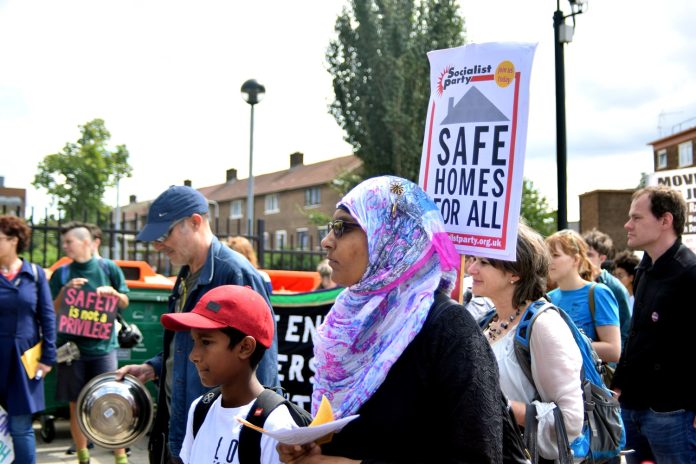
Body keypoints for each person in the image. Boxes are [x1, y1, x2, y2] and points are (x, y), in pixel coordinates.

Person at [278, 176, 504, 463]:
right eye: (329, 228)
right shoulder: (347, 321)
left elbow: (479, 457)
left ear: (391, 234)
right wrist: (315, 448)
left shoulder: (449, 328)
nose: (326, 241)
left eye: (342, 227)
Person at [115, 185, 279, 463]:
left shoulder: (235, 272)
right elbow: (185, 343)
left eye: (164, 235)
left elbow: (262, 361)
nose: (157, 246)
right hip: (182, 428)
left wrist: (254, 433)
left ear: (195, 222)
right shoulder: (185, 275)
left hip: (218, 436)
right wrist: (153, 367)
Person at [468, 223, 584, 460]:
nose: (471, 269)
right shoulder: (486, 321)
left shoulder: (543, 326)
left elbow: (571, 421)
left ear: (515, 272)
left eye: (484, 262)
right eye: (473, 259)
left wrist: (499, 406)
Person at [160, 284, 296, 464]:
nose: (193, 355)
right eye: (194, 341)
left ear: (245, 347)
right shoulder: (201, 408)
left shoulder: (276, 426)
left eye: (206, 342)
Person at [613, 185, 696, 463]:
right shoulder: (644, 268)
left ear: (665, 220)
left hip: (673, 413)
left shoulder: (690, 273)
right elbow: (636, 335)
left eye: (637, 218)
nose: (628, 225)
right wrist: (619, 387)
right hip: (634, 406)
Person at [49, 222, 130, 464]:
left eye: (69, 242)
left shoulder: (108, 268)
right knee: (76, 404)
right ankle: (83, 457)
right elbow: (51, 311)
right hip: (71, 351)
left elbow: (125, 301)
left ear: (86, 242)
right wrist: (65, 292)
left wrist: (115, 295)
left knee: (113, 401)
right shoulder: (61, 274)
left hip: (103, 348)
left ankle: (120, 457)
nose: (65, 246)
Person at [0, 215, 56, 463]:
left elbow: (47, 317)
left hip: (24, 362)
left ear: (13, 241)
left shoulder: (34, 274)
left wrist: (48, 358)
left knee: (21, 427)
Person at [545, 230, 621, 364]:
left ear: (575, 259)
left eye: (555, 255)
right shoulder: (548, 298)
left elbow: (614, 351)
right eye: (547, 255)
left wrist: (562, 345)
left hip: (586, 382)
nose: (549, 261)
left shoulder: (598, 292)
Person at [582, 228, 632, 350]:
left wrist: (614, 364)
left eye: (590, 255)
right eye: (582, 253)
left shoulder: (615, 287)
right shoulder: (576, 282)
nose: (584, 258)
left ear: (602, 258)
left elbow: (626, 327)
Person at [611, 249, 639, 314]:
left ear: (631, 277)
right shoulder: (613, 299)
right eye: (614, 275)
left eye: (620, 276)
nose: (616, 279)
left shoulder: (638, 301)